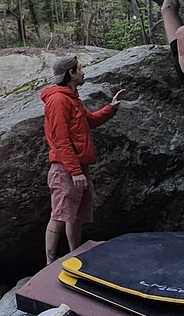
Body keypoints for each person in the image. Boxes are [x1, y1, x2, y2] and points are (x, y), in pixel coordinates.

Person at [42, 55, 125, 264]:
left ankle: (74, 257)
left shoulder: (71, 98)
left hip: (78, 166)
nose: (83, 72)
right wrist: (75, 171)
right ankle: (49, 263)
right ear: (71, 73)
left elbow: (89, 121)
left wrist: (111, 108)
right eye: (80, 69)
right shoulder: (58, 100)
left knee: (75, 215)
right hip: (65, 169)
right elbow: (60, 139)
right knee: (60, 215)